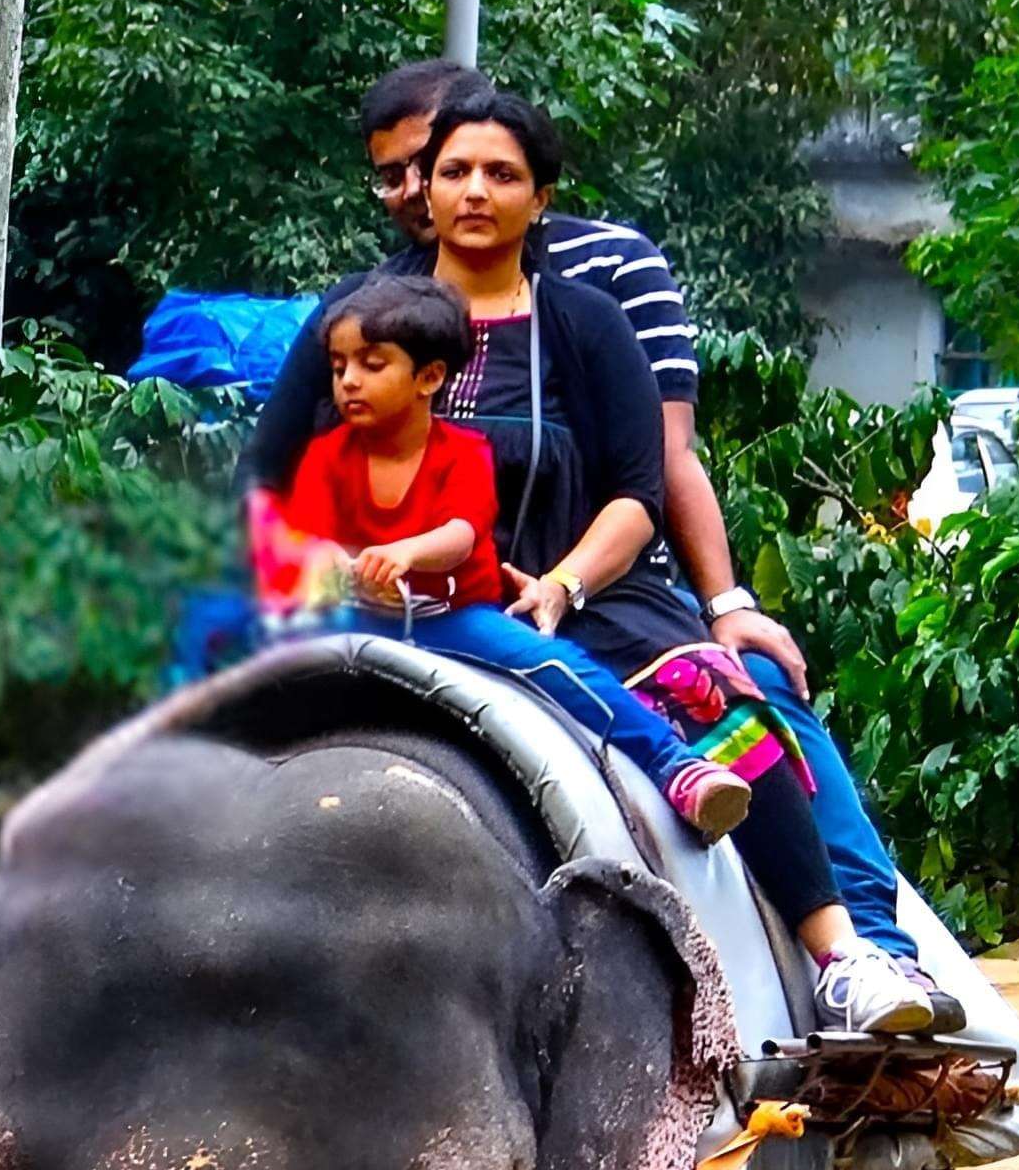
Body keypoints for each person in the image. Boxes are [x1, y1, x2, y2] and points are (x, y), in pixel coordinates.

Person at [260, 85, 938, 1039]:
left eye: (503, 174)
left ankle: (844, 955)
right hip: (376, 606)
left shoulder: (588, 319)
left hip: (582, 603)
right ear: (426, 187)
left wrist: (567, 580)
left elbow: (639, 489)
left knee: (728, 707)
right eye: (454, 172)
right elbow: (271, 478)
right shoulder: (353, 321)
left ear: (541, 198)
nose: (475, 192)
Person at [283, 278, 755, 843]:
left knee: (555, 666)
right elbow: (304, 535)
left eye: (372, 364)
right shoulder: (325, 455)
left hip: (448, 617)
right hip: (355, 614)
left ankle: (673, 764)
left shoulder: (463, 453)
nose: (349, 382)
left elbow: (461, 533)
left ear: (429, 378)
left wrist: (406, 553)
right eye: (338, 368)